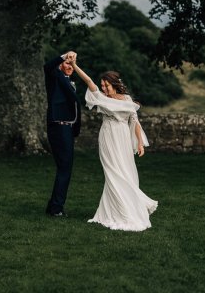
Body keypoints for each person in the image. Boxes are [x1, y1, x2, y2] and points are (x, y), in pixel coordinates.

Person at [71, 60, 158, 231]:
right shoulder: (102, 98)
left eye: (106, 85)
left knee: (126, 173)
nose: (104, 88)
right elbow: (89, 81)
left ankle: (129, 208)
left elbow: (135, 122)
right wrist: (74, 66)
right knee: (113, 173)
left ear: (115, 84)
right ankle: (116, 211)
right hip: (108, 137)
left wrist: (140, 143)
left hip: (123, 138)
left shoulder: (126, 99)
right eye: (102, 85)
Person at [44, 51, 80, 217]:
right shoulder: (55, 78)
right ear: (60, 65)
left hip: (67, 129)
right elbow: (47, 66)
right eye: (67, 63)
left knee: (64, 168)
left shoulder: (68, 81)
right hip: (59, 127)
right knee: (65, 168)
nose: (70, 66)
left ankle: (53, 205)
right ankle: (57, 209)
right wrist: (65, 55)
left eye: (72, 64)